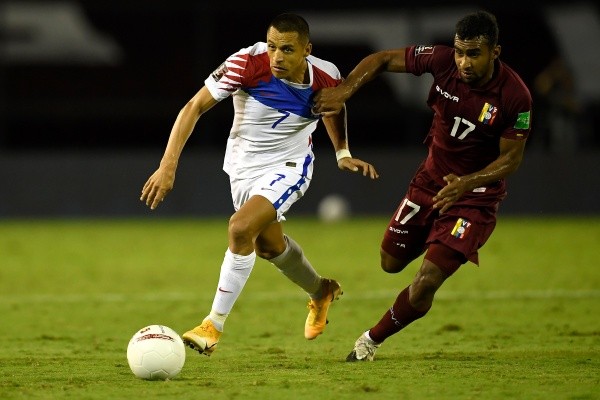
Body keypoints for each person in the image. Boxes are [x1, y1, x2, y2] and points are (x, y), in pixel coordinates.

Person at [140, 13, 378, 356]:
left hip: (291, 166)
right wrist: (167, 165)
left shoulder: (327, 75)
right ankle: (322, 290)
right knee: (268, 246)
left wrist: (342, 152)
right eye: (271, 46)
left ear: (306, 50)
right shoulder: (246, 63)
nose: (277, 56)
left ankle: (212, 325)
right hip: (242, 169)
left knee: (239, 229)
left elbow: (333, 105)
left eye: (287, 49)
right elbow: (194, 107)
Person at [313, 10, 532, 361]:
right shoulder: (442, 60)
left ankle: (370, 340)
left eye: (473, 54)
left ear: (495, 52)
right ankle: (436, 241)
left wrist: (467, 183)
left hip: (473, 200)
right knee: (389, 262)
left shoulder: (515, 97)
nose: (463, 61)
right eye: (460, 52)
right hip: (429, 182)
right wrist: (344, 91)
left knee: (426, 280)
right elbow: (382, 59)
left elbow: (511, 160)